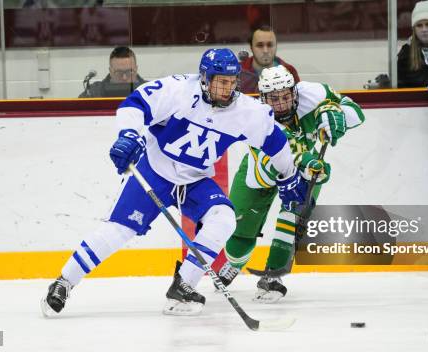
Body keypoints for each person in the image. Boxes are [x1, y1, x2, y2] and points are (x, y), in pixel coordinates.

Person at [42, 48, 309, 317]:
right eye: (221, 81)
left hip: (194, 181)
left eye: (232, 82)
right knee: (119, 231)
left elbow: (275, 142)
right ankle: (63, 282)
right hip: (155, 172)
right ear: (205, 78)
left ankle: (183, 286)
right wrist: (128, 136)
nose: (227, 89)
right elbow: (134, 105)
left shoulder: (245, 111)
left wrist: (288, 175)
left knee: (224, 218)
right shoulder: (177, 90)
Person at [216, 65, 365, 302]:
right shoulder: (255, 115)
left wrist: (334, 115)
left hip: (306, 165)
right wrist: (307, 162)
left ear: (294, 92)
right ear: (263, 98)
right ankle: (235, 263)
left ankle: (273, 276)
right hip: (263, 168)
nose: (282, 104)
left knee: (292, 218)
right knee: (239, 234)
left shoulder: (313, 93)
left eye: (286, 96)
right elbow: (280, 155)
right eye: (274, 99)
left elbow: (356, 112)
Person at [238, 26, 300, 94]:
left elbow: (297, 101)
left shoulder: (289, 71)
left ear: (276, 46)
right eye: (260, 45)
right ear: (251, 47)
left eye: (270, 45)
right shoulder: (237, 71)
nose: (265, 51)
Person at [397, 0, 428, 88]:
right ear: (414, 29)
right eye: (419, 25)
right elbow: (401, 88)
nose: (424, 29)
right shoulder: (406, 53)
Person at [79, 46, 147, 98]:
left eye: (129, 72)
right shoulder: (95, 92)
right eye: (119, 73)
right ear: (110, 72)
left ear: (136, 69)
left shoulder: (150, 90)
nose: (124, 78)